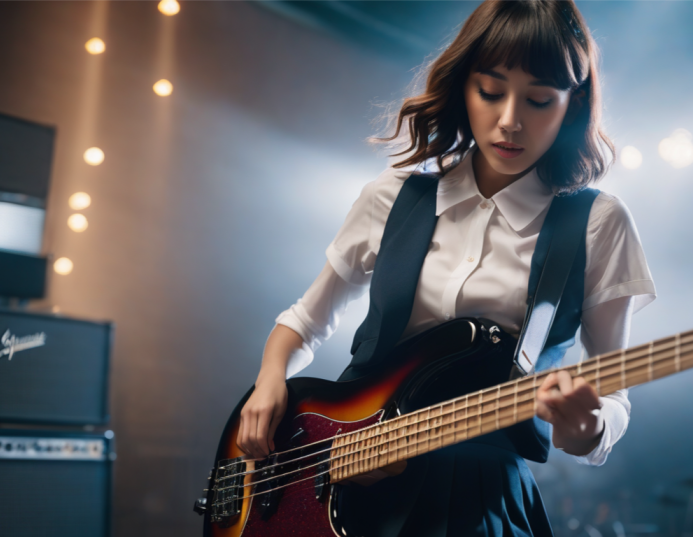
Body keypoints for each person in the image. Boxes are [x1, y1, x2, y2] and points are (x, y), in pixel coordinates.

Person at [237, 0, 655, 534]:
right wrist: (270, 379)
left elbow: (613, 395)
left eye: (539, 100)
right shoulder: (390, 198)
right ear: (462, 86)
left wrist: (590, 428)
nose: (509, 121)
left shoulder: (598, 223)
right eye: (490, 90)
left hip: (480, 500)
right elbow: (304, 320)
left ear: (572, 106)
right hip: (343, 479)